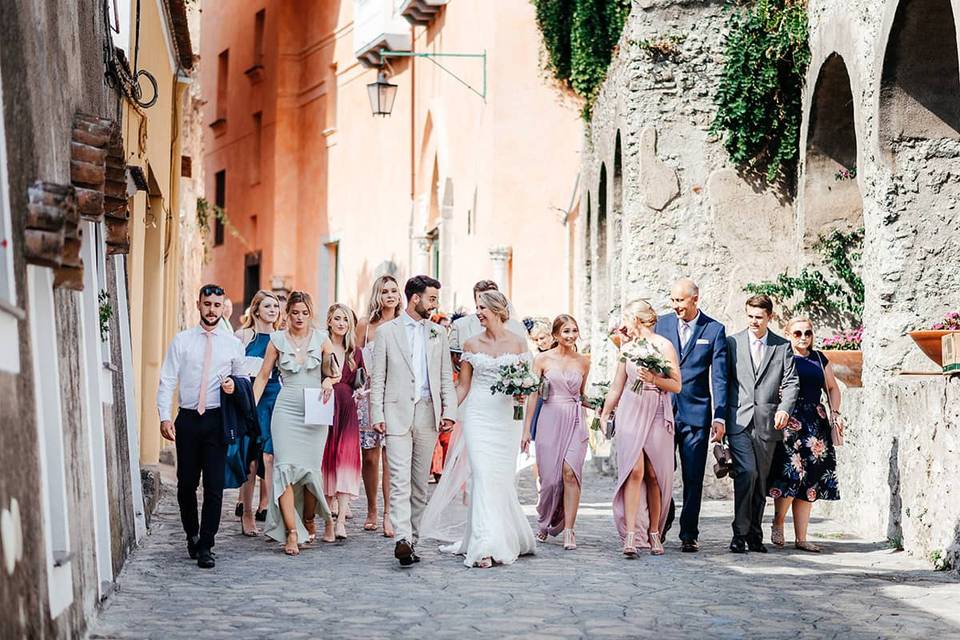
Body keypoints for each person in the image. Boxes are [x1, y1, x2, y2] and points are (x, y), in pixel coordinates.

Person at [421, 290, 537, 568]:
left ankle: (502, 534)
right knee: (483, 477)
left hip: (508, 418)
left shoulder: (519, 342)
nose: (479, 312)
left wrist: (526, 426)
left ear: (498, 310)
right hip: (478, 415)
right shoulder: (471, 344)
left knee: (500, 479)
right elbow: (463, 385)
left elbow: (530, 386)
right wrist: (447, 413)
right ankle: (484, 545)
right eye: (477, 308)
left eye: (483, 307)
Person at [369, 275, 458, 567]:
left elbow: (446, 377)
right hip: (395, 413)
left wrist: (449, 412)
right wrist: (377, 414)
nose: (436, 304)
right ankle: (402, 538)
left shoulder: (437, 333)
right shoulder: (386, 332)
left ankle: (413, 540)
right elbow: (378, 377)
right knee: (398, 480)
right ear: (416, 298)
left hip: (428, 413)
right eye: (432, 298)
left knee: (420, 483)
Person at [157, 284, 245, 569]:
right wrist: (164, 416)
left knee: (214, 486)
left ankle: (207, 544)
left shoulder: (232, 344)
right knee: (186, 484)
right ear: (198, 305)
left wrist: (234, 385)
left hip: (217, 420)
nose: (212, 310)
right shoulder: (182, 341)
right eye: (207, 304)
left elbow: (242, 378)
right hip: (188, 420)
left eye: (217, 305)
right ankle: (192, 534)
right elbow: (168, 379)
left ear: (223, 307)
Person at [252, 291, 338, 556]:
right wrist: (249, 409)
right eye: (294, 312)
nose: (299, 317)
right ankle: (291, 531)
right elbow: (264, 376)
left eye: (304, 313)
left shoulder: (322, 340)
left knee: (309, 471)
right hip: (286, 409)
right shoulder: (277, 341)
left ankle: (311, 519)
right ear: (287, 314)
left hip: (315, 411)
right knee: (284, 469)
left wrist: (327, 381)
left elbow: (334, 373)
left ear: (310, 314)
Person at [600, 299, 680, 557]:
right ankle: (631, 535)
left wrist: (654, 378)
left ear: (636, 319)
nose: (624, 324)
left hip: (656, 409)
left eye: (626, 318)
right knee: (634, 472)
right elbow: (617, 385)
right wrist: (604, 413)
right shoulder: (628, 348)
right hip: (631, 410)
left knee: (654, 474)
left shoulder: (664, 345)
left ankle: (654, 532)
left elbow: (676, 385)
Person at [654, 279, 728, 552]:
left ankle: (689, 534)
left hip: (696, 415)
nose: (675, 306)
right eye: (672, 300)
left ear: (695, 299)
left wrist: (719, 417)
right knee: (661, 473)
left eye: (681, 301)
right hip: (661, 412)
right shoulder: (660, 325)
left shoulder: (714, 330)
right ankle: (663, 521)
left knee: (693, 477)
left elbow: (719, 378)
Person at [726, 294, 800, 554]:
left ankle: (755, 535)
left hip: (769, 423)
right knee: (747, 473)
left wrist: (784, 410)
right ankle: (739, 533)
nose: (753, 322)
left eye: (758, 317)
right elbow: (723, 382)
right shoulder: (732, 343)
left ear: (770, 317)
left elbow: (791, 382)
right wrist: (720, 418)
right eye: (750, 316)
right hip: (739, 421)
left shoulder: (782, 347)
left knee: (761, 482)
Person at [768, 317, 843, 552]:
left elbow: (832, 387)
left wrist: (835, 412)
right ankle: (778, 521)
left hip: (815, 424)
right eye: (798, 333)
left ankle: (801, 537)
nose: (803, 338)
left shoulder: (819, 359)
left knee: (810, 479)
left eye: (807, 333)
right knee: (792, 474)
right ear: (788, 334)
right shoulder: (781, 356)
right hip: (789, 421)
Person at [522, 314, 589, 550]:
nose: (571, 336)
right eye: (566, 331)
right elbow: (532, 395)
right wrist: (526, 430)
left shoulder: (583, 361)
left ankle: (569, 529)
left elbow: (582, 394)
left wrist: (602, 404)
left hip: (575, 419)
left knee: (571, 473)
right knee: (549, 481)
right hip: (549, 418)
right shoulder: (541, 360)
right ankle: (544, 522)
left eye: (574, 331)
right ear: (556, 335)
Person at [230, 290, 282, 535]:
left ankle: (272, 513)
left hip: (275, 397)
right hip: (249, 398)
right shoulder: (243, 337)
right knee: (250, 457)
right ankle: (247, 512)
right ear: (257, 309)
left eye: (276, 306)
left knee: (271, 457)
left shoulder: (282, 338)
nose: (273, 310)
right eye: (268, 306)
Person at [355, 274, 400, 537]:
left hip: (396, 396)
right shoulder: (366, 325)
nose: (390, 295)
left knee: (391, 456)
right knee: (370, 456)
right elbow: (354, 359)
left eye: (394, 290)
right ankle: (372, 507)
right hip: (369, 393)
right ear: (377, 295)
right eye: (385, 291)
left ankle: (388, 513)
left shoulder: (404, 324)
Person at [322, 303, 364, 541]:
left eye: (345, 320)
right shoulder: (321, 349)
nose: (341, 323)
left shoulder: (354, 352)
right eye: (337, 318)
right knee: (326, 460)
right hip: (325, 408)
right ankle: (328, 517)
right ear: (329, 321)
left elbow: (361, 380)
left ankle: (340, 523)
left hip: (347, 409)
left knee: (345, 459)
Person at [448, 280, 528, 370]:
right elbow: (451, 363)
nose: (485, 299)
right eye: (480, 297)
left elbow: (524, 362)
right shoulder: (460, 325)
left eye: (490, 297)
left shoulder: (515, 326)